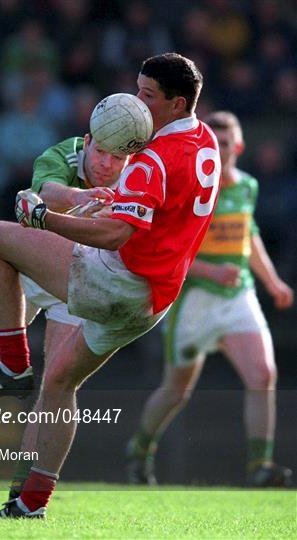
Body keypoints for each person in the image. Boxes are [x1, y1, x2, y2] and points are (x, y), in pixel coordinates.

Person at [0, 52, 221, 519]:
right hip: (153, 302)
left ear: (178, 102)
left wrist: (47, 219)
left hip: (117, 279)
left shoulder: (152, 159)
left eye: (146, 96)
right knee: (61, 380)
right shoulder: (205, 142)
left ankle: (15, 365)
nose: (135, 102)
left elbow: (116, 234)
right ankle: (29, 505)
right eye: (136, 89)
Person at [0, 132, 127, 511]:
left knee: (54, 387)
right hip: (28, 263)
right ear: (89, 141)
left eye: (117, 158)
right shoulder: (67, 151)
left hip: (79, 279)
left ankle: (20, 492)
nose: (106, 164)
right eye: (101, 152)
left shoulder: (143, 171)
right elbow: (46, 188)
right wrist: (79, 198)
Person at [126, 111, 294, 488]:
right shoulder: (193, 189)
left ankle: (259, 466)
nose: (220, 148)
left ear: (238, 146)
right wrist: (211, 271)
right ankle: (139, 449)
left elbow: (249, 236)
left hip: (238, 295)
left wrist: (272, 281)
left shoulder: (247, 186)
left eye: (225, 141)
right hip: (193, 300)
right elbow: (170, 251)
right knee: (176, 391)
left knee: (263, 375)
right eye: (213, 142)